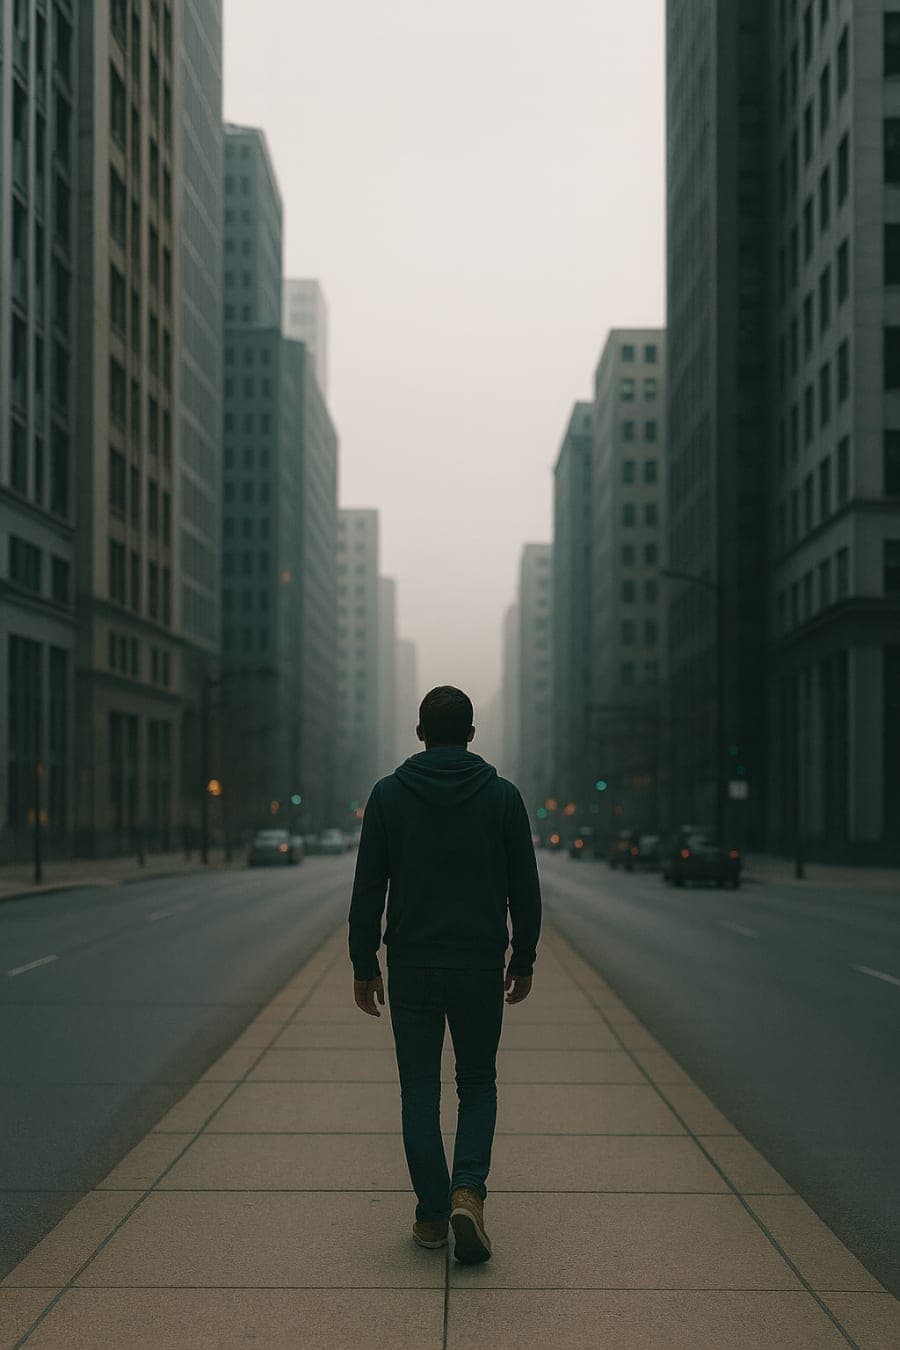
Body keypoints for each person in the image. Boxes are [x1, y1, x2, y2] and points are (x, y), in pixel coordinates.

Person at [348, 685, 542, 1263]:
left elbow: (368, 888)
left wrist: (364, 964)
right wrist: (522, 957)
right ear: (473, 734)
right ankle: (468, 1192)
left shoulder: (387, 796)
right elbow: (524, 887)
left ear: (419, 732)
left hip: (411, 964)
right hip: (479, 963)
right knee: (478, 1083)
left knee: (419, 1089)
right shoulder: (503, 798)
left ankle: (433, 1214)